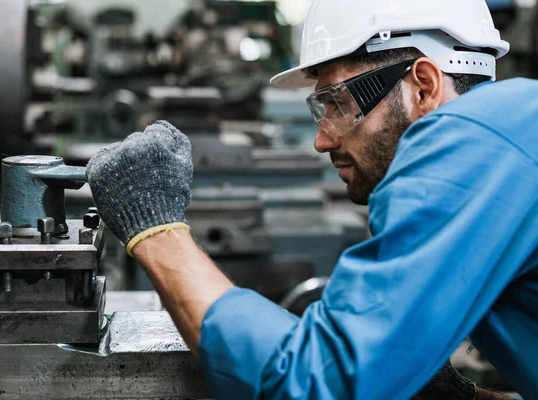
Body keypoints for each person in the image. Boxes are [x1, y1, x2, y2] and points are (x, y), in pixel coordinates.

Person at [86, 0, 538, 398]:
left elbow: (313, 384)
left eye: (337, 103)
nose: (321, 140)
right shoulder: (509, 134)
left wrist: (155, 227)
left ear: (422, 85)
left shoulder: (469, 142)